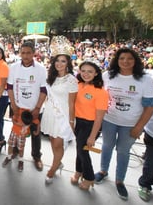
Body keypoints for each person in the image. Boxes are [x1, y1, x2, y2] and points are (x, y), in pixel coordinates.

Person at [95, 47, 153, 200]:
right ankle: (103, 171)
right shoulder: (107, 76)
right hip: (109, 120)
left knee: (123, 151)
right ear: (116, 60)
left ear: (135, 60)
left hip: (131, 124)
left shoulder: (145, 80)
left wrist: (139, 127)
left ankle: (119, 180)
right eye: (122, 58)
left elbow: (150, 106)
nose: (125, 61)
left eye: (129, 58)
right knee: (107, 146)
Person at [41, 36, 78, 184]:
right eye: (57, 60)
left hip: (63, 116)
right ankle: (58, 162)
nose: (59, 63)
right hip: (50, 113)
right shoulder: (51, 76)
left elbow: (72, 103)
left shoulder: (72, 80)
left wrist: (71, 121)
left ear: (68, 63)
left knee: (58, 143)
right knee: (52, 141)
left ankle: (53, 169)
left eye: (63, 61)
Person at [6, 41, 47, 171]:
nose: (25, 56)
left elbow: (44, 90)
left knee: (35, 134)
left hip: (34, 109)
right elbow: (10, 87)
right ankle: (16, 152)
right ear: (20, 53)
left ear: (34, 53)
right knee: (17, 132)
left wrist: (37, 108)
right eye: (23, 52)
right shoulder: (13, 67)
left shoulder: (41, 69)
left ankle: (36, 157)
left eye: (28, 53)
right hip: (17, 107)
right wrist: (13, 106)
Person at [71, 61, 108, 190]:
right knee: (79, 149)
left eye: (90, 71)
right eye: (83, 71)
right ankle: (78, 171)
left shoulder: (101, 92)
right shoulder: (78, 85)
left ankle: (89, 177)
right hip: (78, 123)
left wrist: (92, 136)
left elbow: (99, 118)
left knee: (83, 151)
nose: (86, 74)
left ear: (96, 73)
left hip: (91, 125)